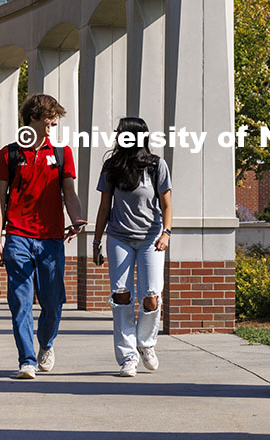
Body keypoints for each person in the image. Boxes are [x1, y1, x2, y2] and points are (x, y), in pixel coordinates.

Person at [0, 94, 87, 379]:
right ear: (33, 117)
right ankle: (27, 360)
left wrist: (76, 218)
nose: (53, 122)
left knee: (53, 301)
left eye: (55, 117)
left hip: (51, 238)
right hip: (18, 236)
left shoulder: (61, 153)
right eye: (49, 116)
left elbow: (69, 193)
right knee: (20, 301)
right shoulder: (9, 154)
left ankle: (46, 343)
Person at [93, 117, 172, 377]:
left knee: (151, 295)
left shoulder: (156, 166)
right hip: (119, 237)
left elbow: (166, 205)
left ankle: (146, 344)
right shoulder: (111, 167)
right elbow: (104, 207)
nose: (118, 136)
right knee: (121, 295)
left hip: (151, 238)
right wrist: (96, 241)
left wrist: (166, 233)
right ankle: (127, 356)